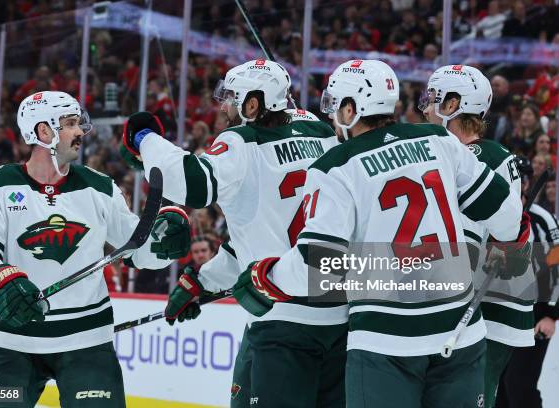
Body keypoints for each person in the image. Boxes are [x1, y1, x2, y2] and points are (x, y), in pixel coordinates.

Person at [231, 60, 529, 408]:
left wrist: (266, 275)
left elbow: (319, 267)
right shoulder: (439, 139)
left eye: (334, 105)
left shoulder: (336, 166)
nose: (330, 116)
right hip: (460, 332)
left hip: (386, 341)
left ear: (351, 108)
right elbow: (508, 217)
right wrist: (509, 242)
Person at [120, 59, 346, 408]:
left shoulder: (243, 142)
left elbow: (191, 183)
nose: (223, 106)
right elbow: (260, 230)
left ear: (251, 104)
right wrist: (203, 280)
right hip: (340, 316)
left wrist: (144, 138)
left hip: (284, 320)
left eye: (229, 97)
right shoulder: (322, 133)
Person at [0, 91, 190, 408]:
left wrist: (164, 243)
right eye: (70, 124)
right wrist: (0, 284)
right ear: (43, 132)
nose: (81, 132)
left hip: (87, 340)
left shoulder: (100, 186)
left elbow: (136, 248)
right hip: (13, 340)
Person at [421, 64, 534, 408]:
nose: (424, 107)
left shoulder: (482, 157)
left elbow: (473, 242)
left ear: (452, 104)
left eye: (431, 98)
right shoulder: (470, 154)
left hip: (487, 306)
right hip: (476, 301)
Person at [495, 157, 559, 408]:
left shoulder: (542, 219)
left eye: (522, 178)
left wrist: (551, 314)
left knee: (519, 385)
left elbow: (555, 268)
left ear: (528, 182)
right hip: (504, 315)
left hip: (534, 318)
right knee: (499, 388)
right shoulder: (498, 215)